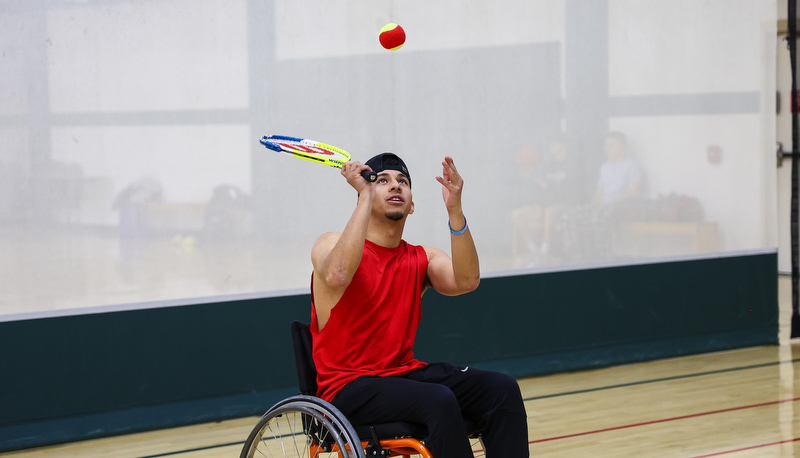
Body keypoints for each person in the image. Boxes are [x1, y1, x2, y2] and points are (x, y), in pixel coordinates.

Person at [310, 152, 529, 457]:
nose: (395, 186)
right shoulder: (329, 243)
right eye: (382, 181)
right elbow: (337, 274)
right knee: (437, 399)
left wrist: (455, 209)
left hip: (404, 376)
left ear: (412, 205)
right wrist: (364, 194)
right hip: (348, 388)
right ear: (366, 194)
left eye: (403, 182)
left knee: (501, 389)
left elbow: (467, 280)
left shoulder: (420, 258)